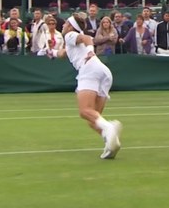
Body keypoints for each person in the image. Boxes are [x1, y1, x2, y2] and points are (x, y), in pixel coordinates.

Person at [51, 12, 122, 160]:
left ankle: (110, 128)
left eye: (65, 23)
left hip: (89, 70)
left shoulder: (70, 35)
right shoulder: (71, 41)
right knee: (94, 120)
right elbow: (63, 53)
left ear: (70, 26)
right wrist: (50, 52)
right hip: (104, 73)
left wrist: (90, 51)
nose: (62, 25)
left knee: (84, 111)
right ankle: (111, 143)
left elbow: (88, 38)